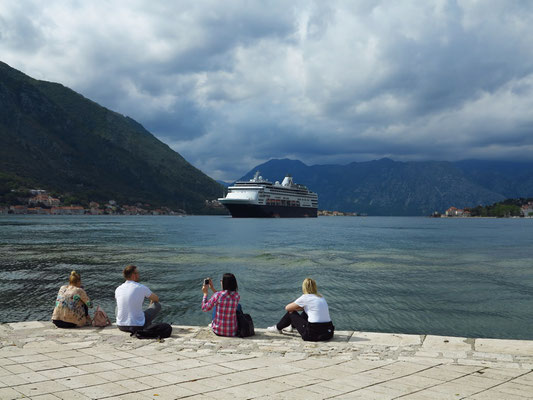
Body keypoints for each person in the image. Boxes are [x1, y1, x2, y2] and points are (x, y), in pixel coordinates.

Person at [267, 278, 334, 341]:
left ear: (304, 287)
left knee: (291, 312)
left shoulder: (306, 297)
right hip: (328, 333)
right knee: (306, 311)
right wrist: (304, 307)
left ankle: (277, 328)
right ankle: (291, 327)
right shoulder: (321, 297)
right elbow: (311, 309)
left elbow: (287, 308)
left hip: (312, 334)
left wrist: (298, 308)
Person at [115, 265, 161, 333]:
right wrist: (151, 303)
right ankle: (147, 324)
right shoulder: (141, 287)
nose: (139, 275)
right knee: (157, 305)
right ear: (133, 275)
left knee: (117, 307)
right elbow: (156, 299)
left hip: (121, 326)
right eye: (137, 273)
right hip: (137, 325)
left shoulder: (118, 289)